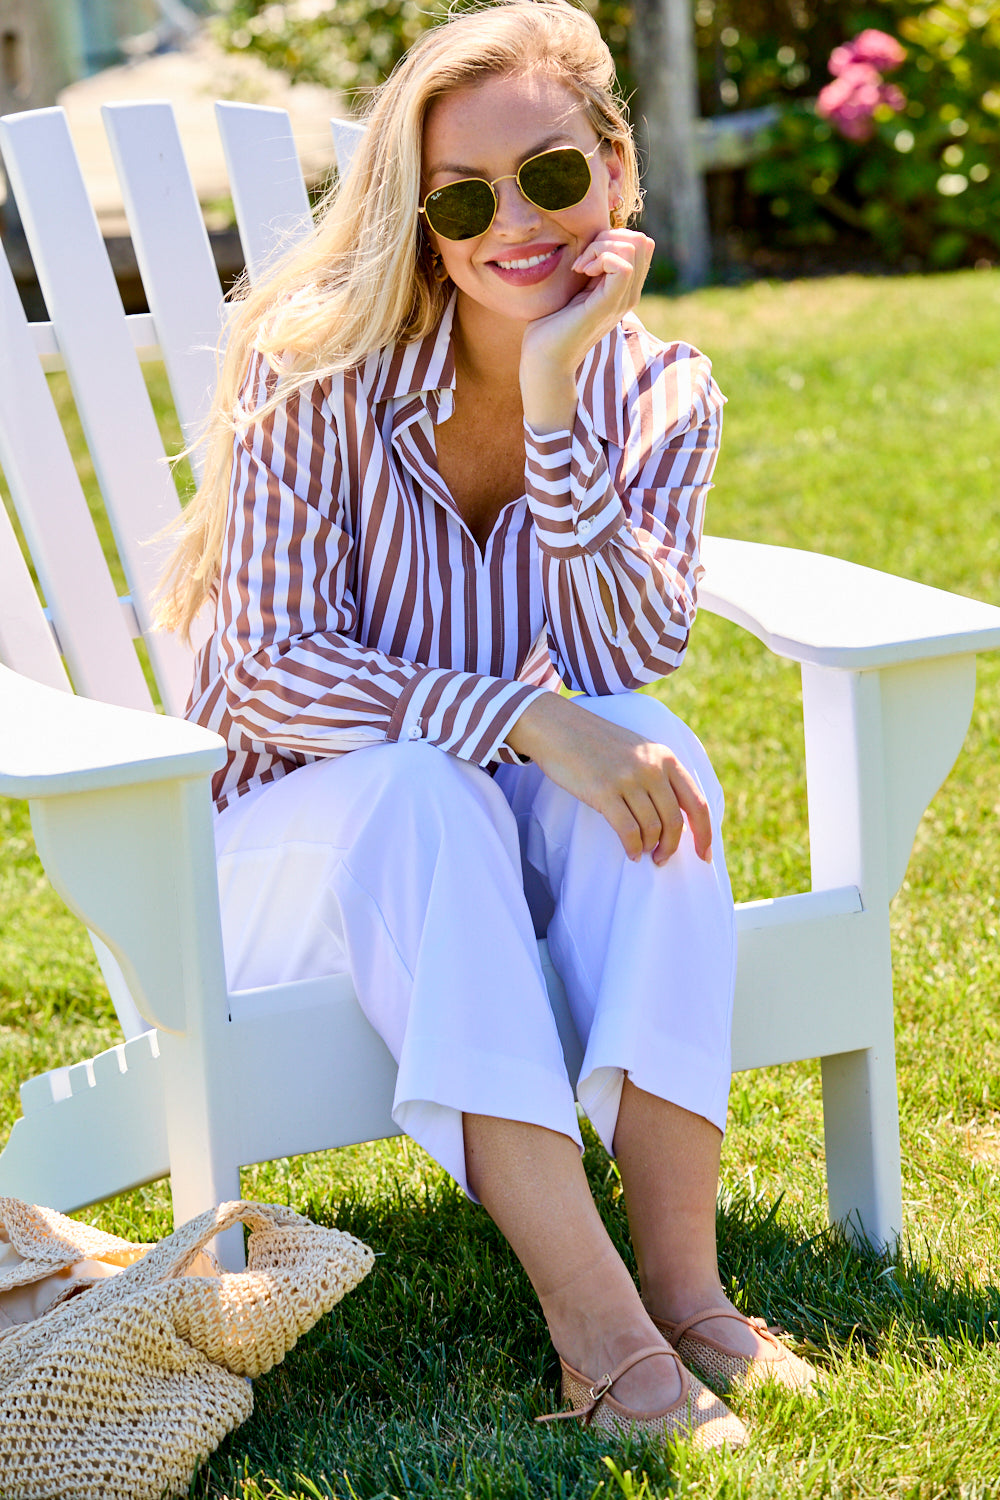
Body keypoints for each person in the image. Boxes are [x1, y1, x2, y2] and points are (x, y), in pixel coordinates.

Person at [157, 0, 815, 1450]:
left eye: (553, 178)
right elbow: (263, 671)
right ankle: (600, 1341)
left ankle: (689, 1297)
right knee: (421, 791)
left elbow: (632, 645)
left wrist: (557, 390)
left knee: (660, 752)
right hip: (267, 875)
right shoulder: (311, 365)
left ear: (618, 174)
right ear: (422, 214)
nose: (514, 222)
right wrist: (519, 716)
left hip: (470, 866)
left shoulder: (659, 391)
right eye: (466, 196)